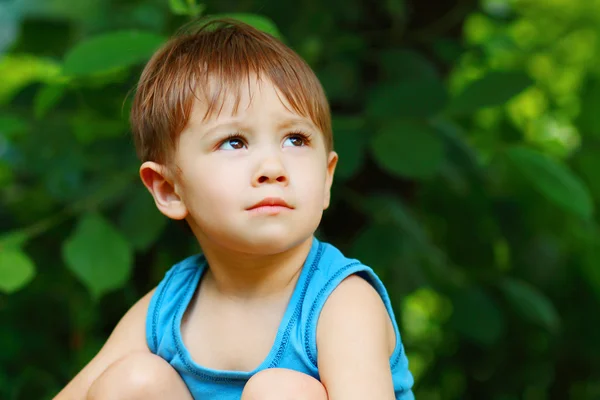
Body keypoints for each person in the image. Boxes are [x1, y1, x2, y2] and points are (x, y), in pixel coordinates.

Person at [55, 18, 414, 400]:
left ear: (327, 179)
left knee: (279, 392)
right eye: (234, 142)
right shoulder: (172, 306)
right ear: (169, 189)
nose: (273, 169)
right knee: (131, 383)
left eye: (295, 139)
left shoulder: (341, 302)